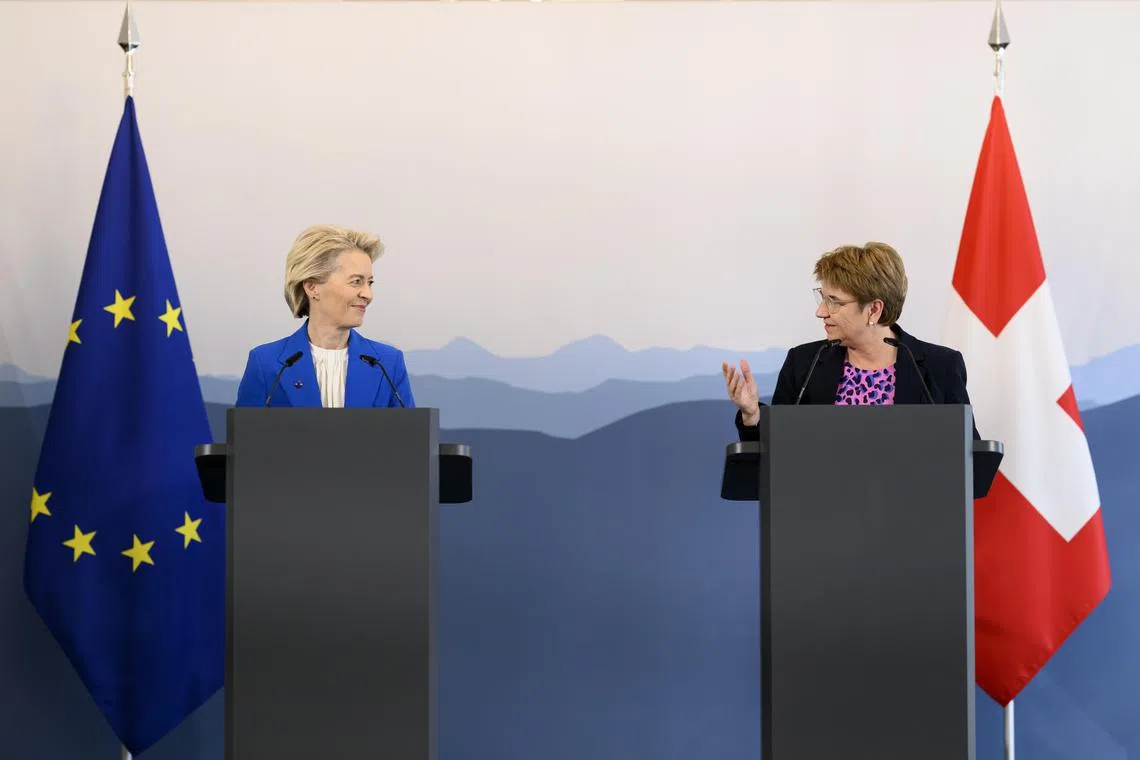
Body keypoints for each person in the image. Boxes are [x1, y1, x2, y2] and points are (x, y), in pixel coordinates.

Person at [722, 242, 978, 440]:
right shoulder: (804, 364)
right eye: (822, 298)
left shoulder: (940, 366)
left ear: (874, 310)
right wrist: (752, 415)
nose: (821, 311)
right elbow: (776, 456)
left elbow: (967, 460)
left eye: (834, 302)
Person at [235, 224, 415, 409]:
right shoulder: (266, 363)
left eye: (369, 283)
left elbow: (409, 428)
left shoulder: (388, 363)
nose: (368, 294)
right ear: (312, 287)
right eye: (356, 281)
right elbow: (247, 428)